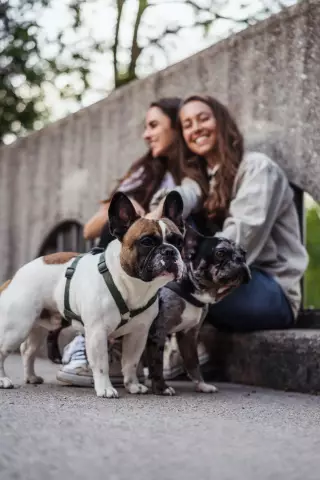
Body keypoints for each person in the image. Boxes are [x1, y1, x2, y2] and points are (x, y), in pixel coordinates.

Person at [145, 94, 308, 378]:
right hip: (219, 282)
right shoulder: (201, 179)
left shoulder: (258, 168)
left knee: (161, 281)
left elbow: (239, 239)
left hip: (270, 291)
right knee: (156, 241)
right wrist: (160, 211)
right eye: (187, 124)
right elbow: (185, 196)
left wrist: (175, 273)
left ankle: (163, 343)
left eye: (203, 118)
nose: (196, 127)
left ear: (221, 122)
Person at [56, 96, 203, 386]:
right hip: (131, 262)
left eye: (153, 126)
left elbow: (191, 205)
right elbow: (90, 229)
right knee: (116, 236)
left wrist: (160, 215)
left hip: (174, 271)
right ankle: (90, 342)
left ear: (175, 129)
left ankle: (166, 342)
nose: (146, 134)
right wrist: (133, 209)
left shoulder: (192, 178)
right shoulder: (143, 173)